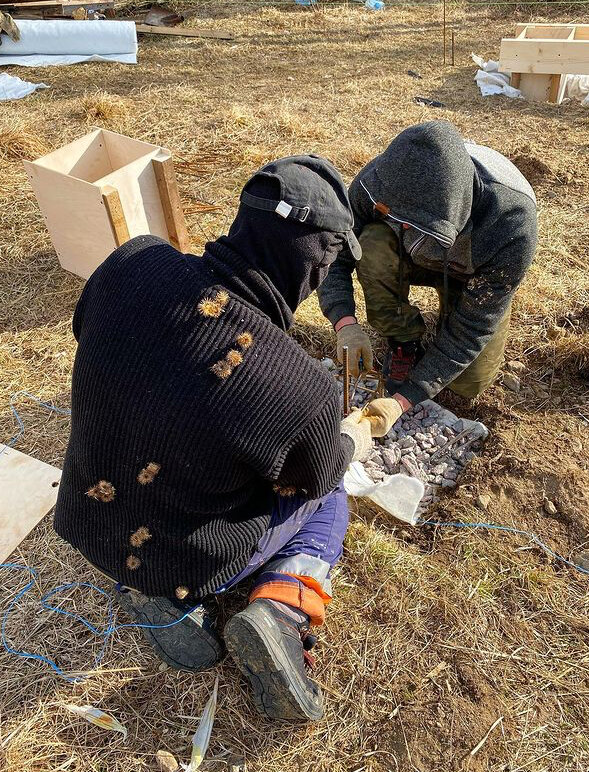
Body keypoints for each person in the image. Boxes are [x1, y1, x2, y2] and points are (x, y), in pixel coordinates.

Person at [53, 155, 401, 723]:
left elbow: (92, 330)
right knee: (329, 502)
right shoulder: (295, 384)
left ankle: (149, 590)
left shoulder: (131, 262)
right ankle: (282, 610)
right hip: (189, 558)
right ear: (315, 267)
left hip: (89, 516)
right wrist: (359, 429)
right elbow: (317, 474)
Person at [318, 120, 538, 413]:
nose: (403, 226)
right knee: (371, 242)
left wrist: (403, 400)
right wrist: (344, 324)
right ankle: (403, 340)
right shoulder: (379, 180)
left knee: (467, 384)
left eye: (415, 224)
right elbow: (335, 253)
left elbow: (473, 329)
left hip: (472, 274)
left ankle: (450, 310)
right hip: (411, 257)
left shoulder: (511, 223)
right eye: (397, 218)